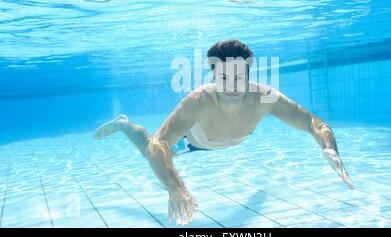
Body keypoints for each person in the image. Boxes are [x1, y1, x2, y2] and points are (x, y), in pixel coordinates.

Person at [94, 39, 353, 225]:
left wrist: (328, 147)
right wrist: (175, 188)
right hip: (193, 142)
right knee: (148, 147)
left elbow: (314, 123)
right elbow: (159, 143)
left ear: (250, 75)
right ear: (213, 76)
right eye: (224, 78)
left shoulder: (265, 97)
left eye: (239, 77)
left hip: (228, 138)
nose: (232, 86)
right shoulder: (198, 101)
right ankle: (124, 125)